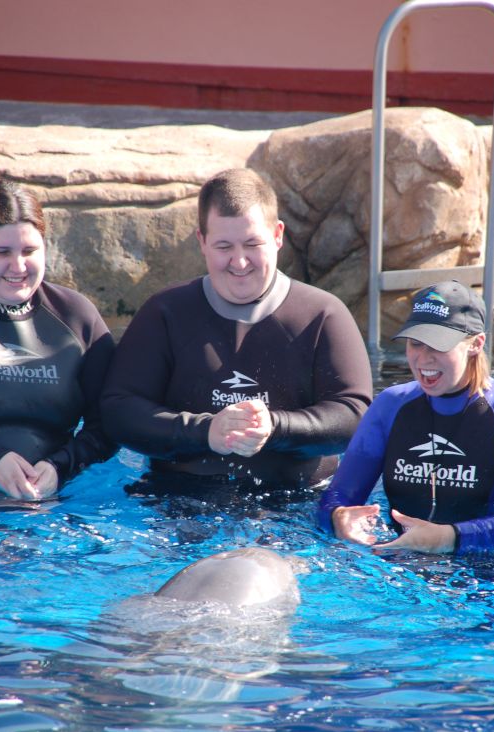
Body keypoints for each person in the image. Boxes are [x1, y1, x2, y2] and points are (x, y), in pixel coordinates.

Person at [101, 167, 372, 490]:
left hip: (297, 504)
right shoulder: (165, 314)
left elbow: (356, 417)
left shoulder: (323, 315)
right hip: (179, 500)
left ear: (278, 235)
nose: (240, 262)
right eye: (224, 247)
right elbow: (118, 410)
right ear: (201, 241)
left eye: (252, 244)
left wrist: (276, 426)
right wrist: (204, 432)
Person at [318, 280, 494, 553]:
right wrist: (338, 517)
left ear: (476, 344)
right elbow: (336, 497)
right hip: (396, 568)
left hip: (484, 576)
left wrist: (448, 538)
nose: (423, 358)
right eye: (415, 343)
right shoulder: (390, 406)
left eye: (438, 345)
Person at [0, 179, 116, 503]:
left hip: (51, 508)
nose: (17, 266)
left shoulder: (75, 316)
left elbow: (111, 423)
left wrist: (60, 467)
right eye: (2, 252)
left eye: (29, 251)